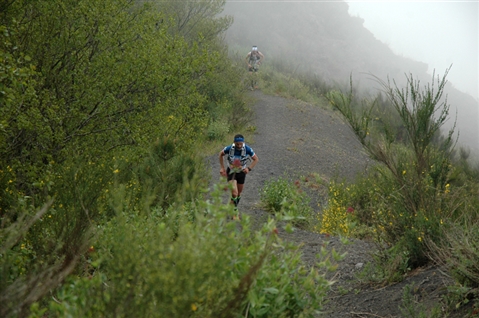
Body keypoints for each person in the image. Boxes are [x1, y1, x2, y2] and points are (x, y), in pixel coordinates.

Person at [219, 134, 258, 214]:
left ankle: (231, 207)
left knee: (239, 193)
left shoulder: (247, 149)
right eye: (237, 144)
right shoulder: (229, 148)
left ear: (243, 142)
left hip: (241, 173)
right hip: (231, 172)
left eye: (241, 144)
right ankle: (235, 212)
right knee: (234, 193)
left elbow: (256, 159)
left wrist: (249, 168)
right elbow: (221, 154)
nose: (239, 146)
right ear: (234, 142)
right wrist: (222, 167)